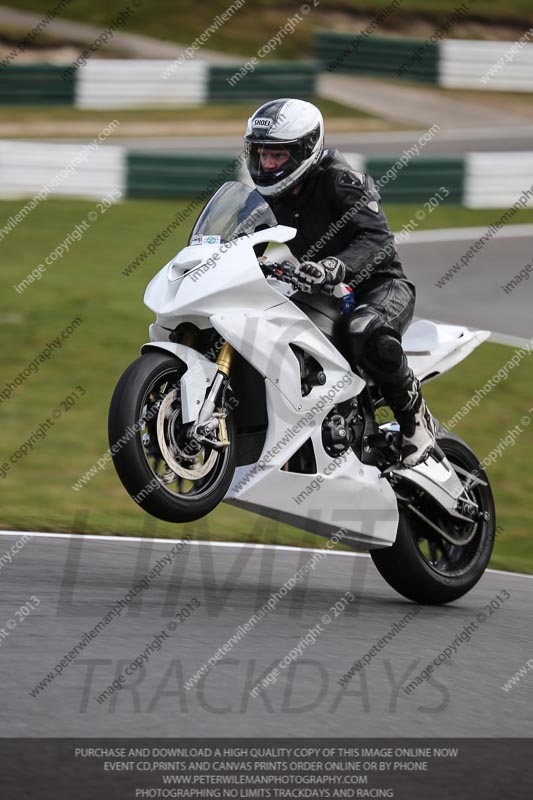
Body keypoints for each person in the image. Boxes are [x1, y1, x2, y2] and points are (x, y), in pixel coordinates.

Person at [244, 98, 436, 467]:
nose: (268, 164)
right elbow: (244, 240)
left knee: (363, 326)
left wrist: (334, 266)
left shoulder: (340, 179)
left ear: (304, 150)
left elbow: (377, 240)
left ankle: (415, 421)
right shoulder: (272, 196)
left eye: (278, 156)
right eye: (262, 154)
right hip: (323, 291)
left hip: (382, 288)